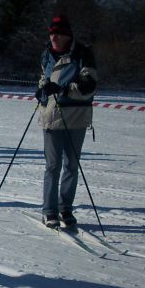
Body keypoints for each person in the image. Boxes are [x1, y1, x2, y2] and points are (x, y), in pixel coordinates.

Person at [35, 15, 97, 229]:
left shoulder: (83, 54)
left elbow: (89, 86)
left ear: (67, 35)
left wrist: (62, 89)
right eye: (51, 33)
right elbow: (45, 78)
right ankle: (49, 210)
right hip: (51, 116)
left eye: (58, 33)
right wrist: (42, 90)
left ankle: (65, 207)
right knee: (52, 166)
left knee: (71, 165)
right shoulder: (47, 54)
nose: (54, 37)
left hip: (75, 118)